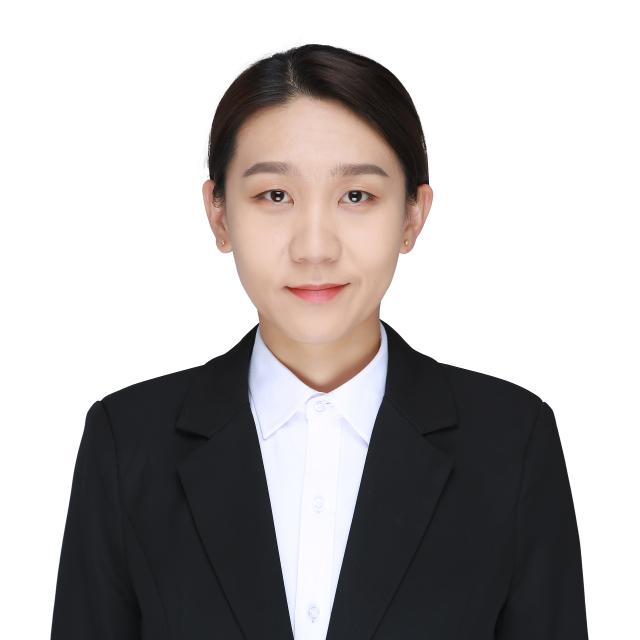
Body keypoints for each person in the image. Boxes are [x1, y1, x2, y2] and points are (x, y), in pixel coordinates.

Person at [50, 43, 589, 639]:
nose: (314, 247)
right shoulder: (127, 443)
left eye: (356, 196)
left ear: (412, 216)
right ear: (219, 214)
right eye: (274, 195)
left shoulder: (512, 443)